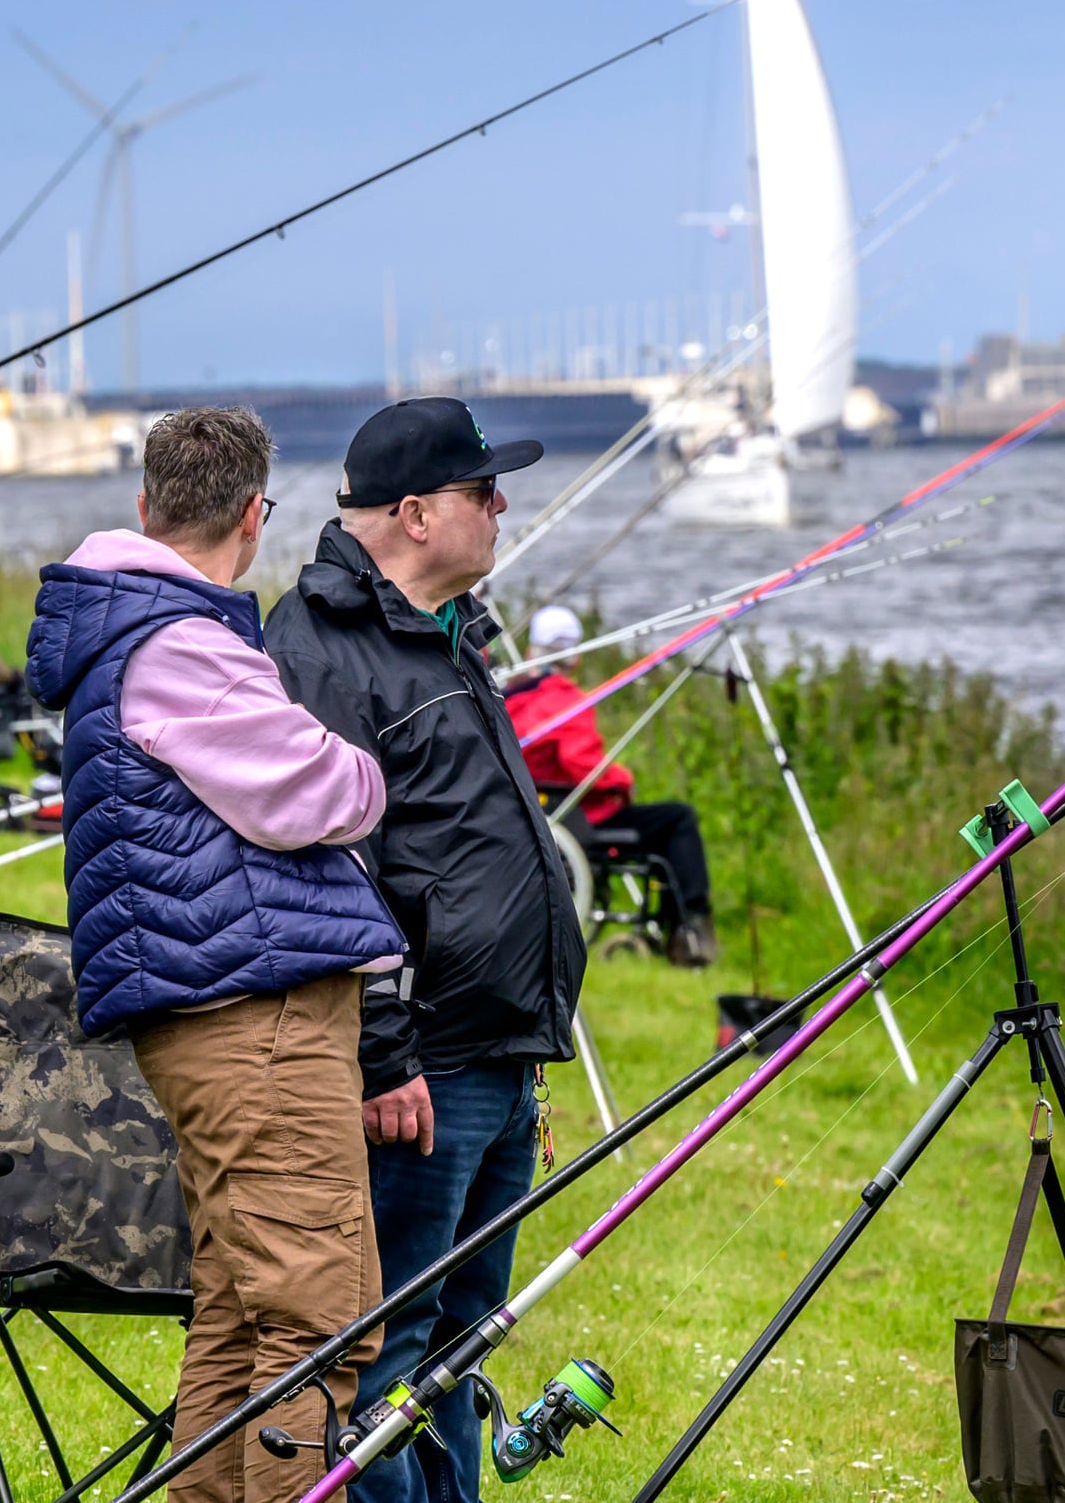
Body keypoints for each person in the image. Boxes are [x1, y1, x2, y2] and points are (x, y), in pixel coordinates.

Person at [31, 408, 397, 1503]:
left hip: (222, 1015)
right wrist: (364, 764)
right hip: (255, 1021)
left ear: (146, 506)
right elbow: (323, 791)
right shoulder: (178, 642)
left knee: (245, 1323)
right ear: (254, 518)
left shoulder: (134, 628)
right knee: (319, 1324)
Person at [264, 396, 577, 1503]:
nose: (502, 508)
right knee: (388, 1353)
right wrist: (384, 1054)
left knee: (461, 1344)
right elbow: (326, 868)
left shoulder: (449, 633)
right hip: (419, 1069)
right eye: (483, 491)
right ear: (414, 514)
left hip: (495, 1051)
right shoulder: (320, 650)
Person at [504, 605, 718, 968]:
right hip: (581, 818)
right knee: (678, 819)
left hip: (537, 811)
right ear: (574, 658)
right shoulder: (565, 700)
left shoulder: (509, 696)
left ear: (531, 651)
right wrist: (622, 780)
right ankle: (689, 928)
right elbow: (582, 764)